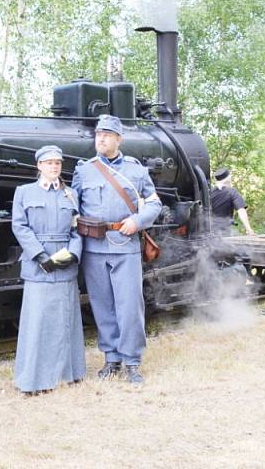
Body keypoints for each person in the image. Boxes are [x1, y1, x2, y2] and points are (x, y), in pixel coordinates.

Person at [70, 115, 162, 384]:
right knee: (102, 306)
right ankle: (111, 359)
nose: (101, 138)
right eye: (98, 134)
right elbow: (73, 208)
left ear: (118, 139)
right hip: (94, 248)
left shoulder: (136, 170)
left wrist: (137, 221)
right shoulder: (84, 170)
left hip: (125, 247)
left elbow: (154, 203)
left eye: (107, 135)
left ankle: (132, 361)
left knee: (130, 307)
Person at [11, 145, 85, 394]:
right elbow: (20, 227)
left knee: (66, 320)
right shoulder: (24, 192)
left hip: (64, 265)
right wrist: (41, 257)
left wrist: (72, 254)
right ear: (39, 166)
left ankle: (69, 373)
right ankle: (34, 379)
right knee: (38, 322)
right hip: (38, 266)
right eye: (49, 163)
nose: (54, 167)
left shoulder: (71, 195)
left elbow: (77, 230)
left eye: (58, 163)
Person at [210, 168, 255, 236]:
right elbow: (241, 211)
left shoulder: (209, 193)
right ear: (229, 179)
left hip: (209, 232)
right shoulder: (232, 192)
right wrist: (249, 229)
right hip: (224, 232)